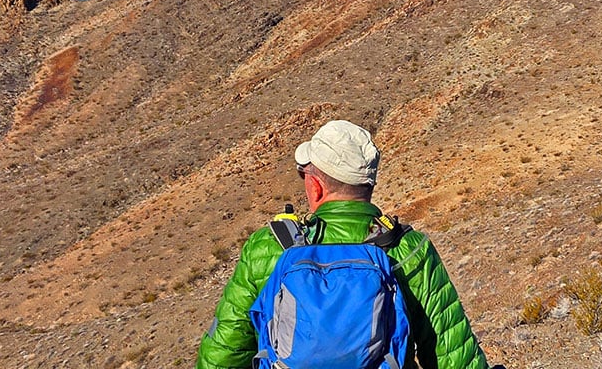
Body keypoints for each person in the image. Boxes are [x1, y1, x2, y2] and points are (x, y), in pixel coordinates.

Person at [195, 120, 492, 369]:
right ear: (369, 185)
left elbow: (223, 354)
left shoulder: (270, 248)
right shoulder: (409, 250)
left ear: (316, 185)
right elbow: (455, 357)